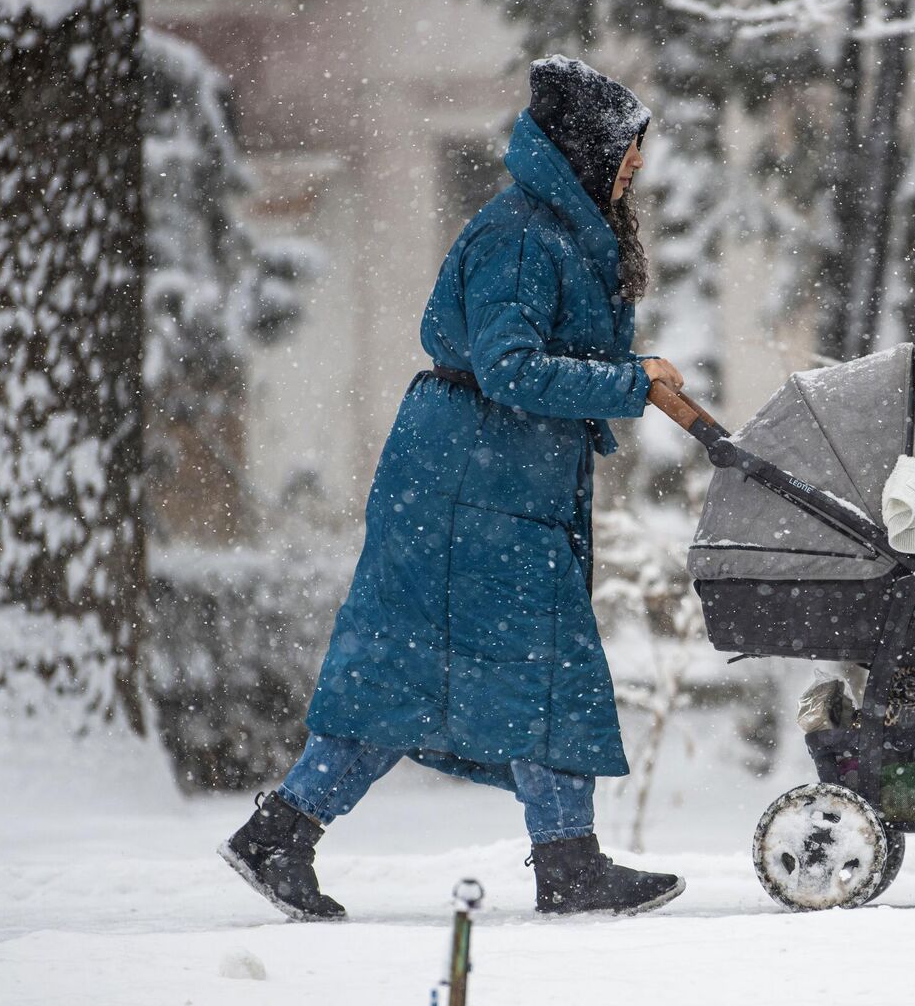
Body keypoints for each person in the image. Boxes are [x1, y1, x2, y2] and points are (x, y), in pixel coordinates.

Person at [221, 56, 686, 921]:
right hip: (470, 489)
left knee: (437, 674)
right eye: (626, 149)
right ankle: (564, 863)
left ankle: (287, 834)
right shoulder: (522, 237)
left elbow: (532, 364)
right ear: (586, 149)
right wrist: (629, 382)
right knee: (507, 669)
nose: (635, 166)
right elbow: (510, 369)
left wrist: (625, 380)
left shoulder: (557, 232)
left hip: (491, 484)